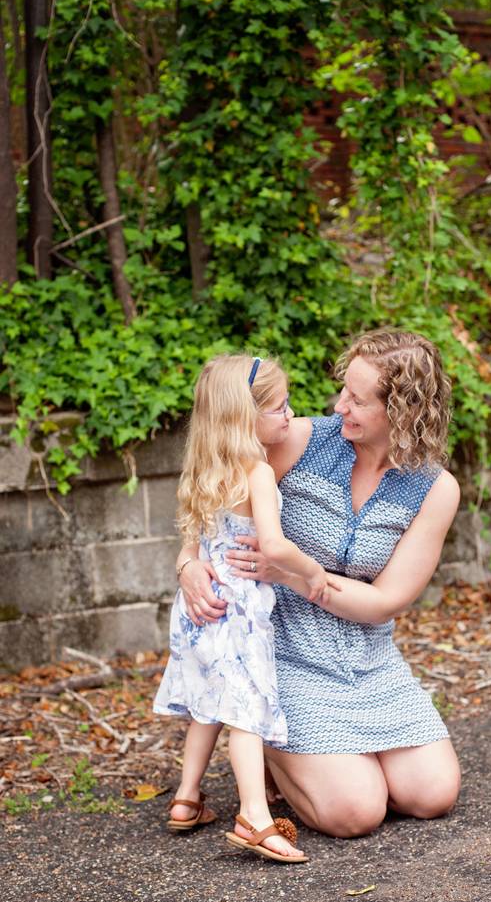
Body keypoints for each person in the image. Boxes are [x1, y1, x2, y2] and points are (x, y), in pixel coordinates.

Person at [176, 329, 461, 839]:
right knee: (355, 812)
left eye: (356, 398)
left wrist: (297, 573)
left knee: (432, 795)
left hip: (368, 658)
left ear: (405, 410)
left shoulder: (436, 489)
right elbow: (211, 494)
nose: (338, 404)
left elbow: (385, 602)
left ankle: (322, 754)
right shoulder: (300, 441)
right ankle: (262, 738)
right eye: (343, 390)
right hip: (281, 650)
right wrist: (187, 563)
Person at [153, 353, 340, 863]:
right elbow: (274, 548)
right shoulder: (256, 471)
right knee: (246, 713)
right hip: (237, 609)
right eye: (280, 407)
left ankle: (187, 798)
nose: (290, 415)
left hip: (200, 607)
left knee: (209, 706)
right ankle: (254, 815)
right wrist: (313, 572)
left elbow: (193, 540)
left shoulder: (203, 469)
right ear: (244, 417)